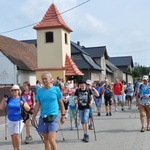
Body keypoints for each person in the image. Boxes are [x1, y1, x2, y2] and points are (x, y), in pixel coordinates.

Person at [31, 71, 65, 150]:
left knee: (51, 139)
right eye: (43, 79)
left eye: (46, 79)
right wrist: (33, 118)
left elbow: (61, 103)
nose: (44, 80)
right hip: (43, 117)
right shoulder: (40, 91)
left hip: (53, 116)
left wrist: (63, 115)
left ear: (50, 79)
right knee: (46, 140)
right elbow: (37, 105)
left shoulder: (56, 89)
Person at [0, 85, 30, 150]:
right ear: (11, 91)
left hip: (19, 120)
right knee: (13, 136)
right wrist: (3, 100)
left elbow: (28, 108)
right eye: (13, 90)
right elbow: (1, 107)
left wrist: (23, 104)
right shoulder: (9, 99)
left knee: (16, 136)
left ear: (18, 91)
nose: (14, 91)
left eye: (16, 90)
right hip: (10, 120)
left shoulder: (21, 99)